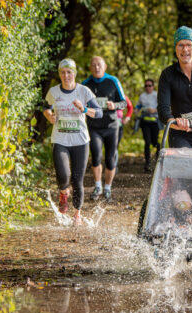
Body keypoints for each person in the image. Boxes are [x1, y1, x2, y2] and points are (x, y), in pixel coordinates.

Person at [43, 58, 103, 225]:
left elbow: (99, 113)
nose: (66, 75)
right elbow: (45, 108)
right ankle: (63, 193)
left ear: (74, 74)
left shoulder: (84, 91)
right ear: (60, 75)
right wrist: (49, 116)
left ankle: (77, 215)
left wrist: (84, 109)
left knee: (77, 180)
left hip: (80, 141)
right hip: (60, 139)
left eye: (69, 72)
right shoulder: (54, 92)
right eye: (63, 72)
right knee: (63, 176)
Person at [82, 56, 127, 202]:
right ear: (90, 67)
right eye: (93, 65)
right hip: (94, 127)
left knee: (110, 159)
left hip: (111, 126)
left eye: (99, 65)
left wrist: (115, 105)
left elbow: (124, 102)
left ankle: (107, 188)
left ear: (105, 66)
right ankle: (98, 186)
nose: (96, 68)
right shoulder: (85, 84)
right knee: (95, 156)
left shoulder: (113, 81)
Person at [134, 78, 160, 172]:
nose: (148, 87)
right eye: (146, 85)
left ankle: (158, 155)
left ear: (153, 86)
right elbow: (138, 106)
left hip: (155, 121)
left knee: (154, 141)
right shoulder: (142, 96)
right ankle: (147, 163)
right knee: (147, 141)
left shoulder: (157, 95)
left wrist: (154, 110)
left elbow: (162, 107)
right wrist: (136, 112)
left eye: (149, 85)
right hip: (145, 122)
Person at [114, 95, 133, 170]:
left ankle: (114, 166)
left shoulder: (122, 95)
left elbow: (130, 107)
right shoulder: (105, 92)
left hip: (119, 124)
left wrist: (127, 118)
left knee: (115, 146)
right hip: (105, 124)